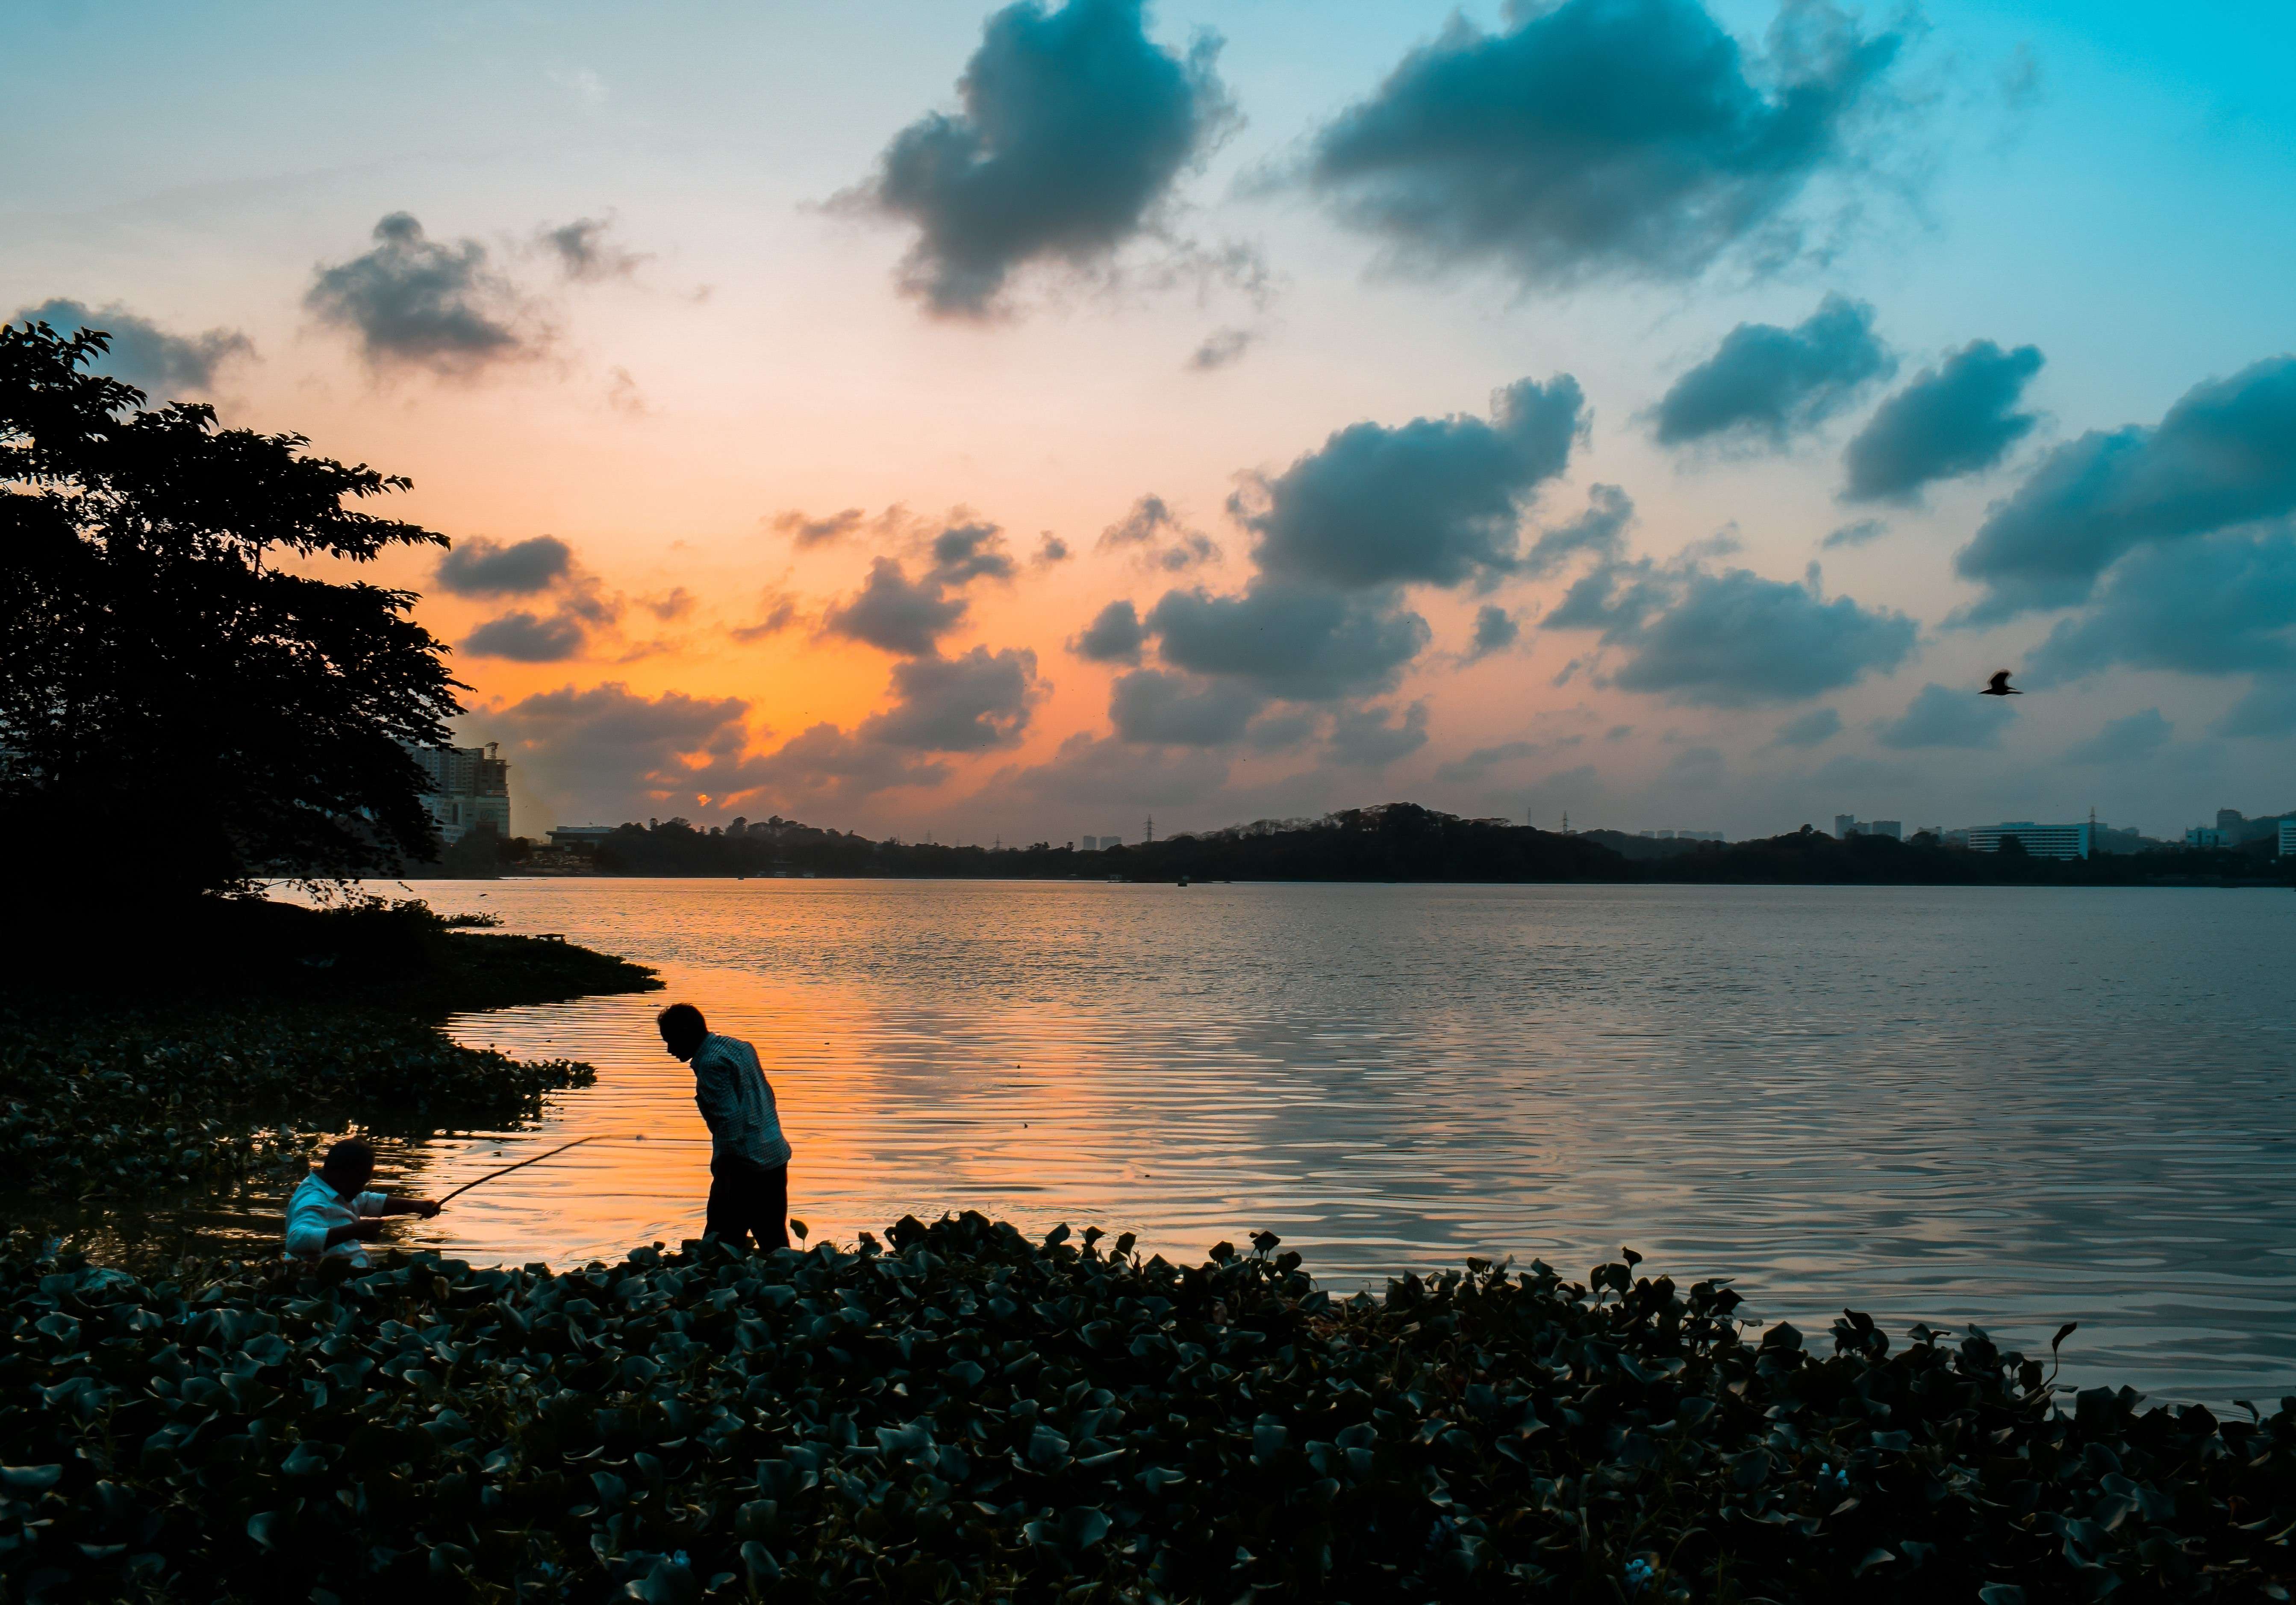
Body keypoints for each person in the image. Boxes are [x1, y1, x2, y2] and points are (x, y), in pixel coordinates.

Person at [657, 1002, 791, 1250]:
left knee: (719, 1246)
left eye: (671, 1040)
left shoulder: (710, 1065)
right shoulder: (739, 1048)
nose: (670, 1049)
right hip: (775, 1154)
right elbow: (767, 1097)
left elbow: (731, 1125)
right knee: (775, 1243)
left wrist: (724, 1175)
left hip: (745, 1167)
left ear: (686, 1032)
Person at [284, 1138, 442, 1267]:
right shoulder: (314, 1202)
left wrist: (415, 1206)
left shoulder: (338, 1188)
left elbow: (367, 1201)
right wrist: (354, 1231)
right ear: (338, 1173)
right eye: (359, 1183)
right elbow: (296, 1240)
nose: (361, 1190)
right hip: (332, 1281)